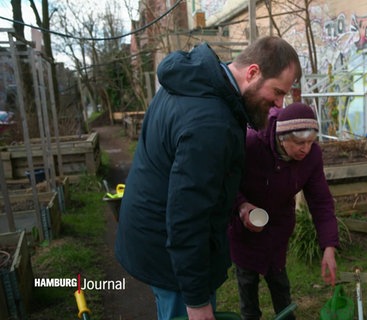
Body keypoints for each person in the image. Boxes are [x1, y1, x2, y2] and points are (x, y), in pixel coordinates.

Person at [114, 36, 301, 320]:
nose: (279, 104)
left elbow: (203, 180)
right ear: (252, 73)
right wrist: (197, 300)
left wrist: (238, 205)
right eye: (277, 91)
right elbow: (187, 216)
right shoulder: (210, 122)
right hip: (169, 255)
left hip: (151, 236)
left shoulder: (194, 82)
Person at [228, 102, 340, 320]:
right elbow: (226, 181)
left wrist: (329, 247)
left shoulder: (311, 157)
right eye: (299, 143)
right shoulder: (251, 144)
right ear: (282, 137)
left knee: (279, 282)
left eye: (310, 142)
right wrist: (241, 206)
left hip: (278, 228)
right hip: (244, 227)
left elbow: (321, 202)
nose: (305, 149)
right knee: (247, 283)